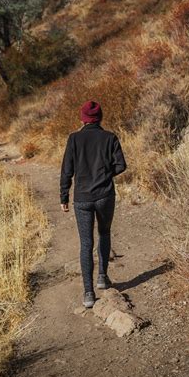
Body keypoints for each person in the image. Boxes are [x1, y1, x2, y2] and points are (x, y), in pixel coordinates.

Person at [60, 100, 127, 308]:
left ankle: (88, 293)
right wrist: (106, 175)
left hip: (82, 199)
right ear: (100, 118)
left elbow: (66, 171)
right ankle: (102, 278)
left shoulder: (74, 139)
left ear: (82, 118)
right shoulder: (110, 138)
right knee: (104, 233)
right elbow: (121, 165)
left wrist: (64, 197)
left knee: (86, 244)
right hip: (105, 195)